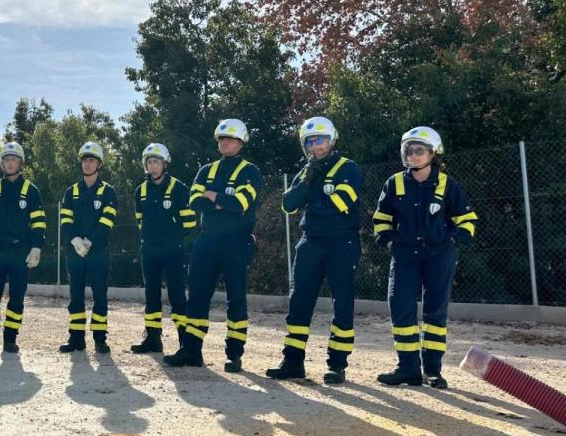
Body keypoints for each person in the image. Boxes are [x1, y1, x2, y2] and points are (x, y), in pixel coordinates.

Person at [373, 127, 478, 389]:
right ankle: (408, 369)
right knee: (400, 306)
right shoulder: (394, 182)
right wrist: (388, 243)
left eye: (419, 150)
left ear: (433, 153)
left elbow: (467, 220)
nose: (414, 155)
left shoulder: (446, 184)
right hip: (405, 254)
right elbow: (381, 219)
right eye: (410, 150)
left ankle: (433, 371)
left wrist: (454, 240)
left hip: (439, 255)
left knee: (435, 310)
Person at [267, 117, 362, 384]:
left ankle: (337, 365)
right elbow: (287, 205)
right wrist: (307, 184)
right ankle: (293, 361)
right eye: (310, 141)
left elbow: (339, 203)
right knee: (299, 302)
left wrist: (311, 199)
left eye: (320, 139)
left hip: (341, 242)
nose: (315, 145)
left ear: (332, 140)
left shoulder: (348, 168)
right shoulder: (306, 171)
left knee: (342, 303)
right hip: (310, 242)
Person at [164, 119, 262, 370]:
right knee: (196, 296)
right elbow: (194, 201)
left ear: (241, 142)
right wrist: (222, 201)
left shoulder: (250, 171)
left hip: (237, 242)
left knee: (236, 298)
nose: (224, 142)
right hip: (206, 241)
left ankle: (234, 354)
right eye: (221, 139)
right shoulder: (205, 170)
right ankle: (191, 350)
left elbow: (242, 203)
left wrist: (213, 196)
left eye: (229, 138)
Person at [0, 142, 45, 353]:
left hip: (20, 251)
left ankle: (11, 339)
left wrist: (36, 248)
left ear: (20, 163)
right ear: (2, 163)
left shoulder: (31, 190)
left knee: (17, 297)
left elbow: (39, 223)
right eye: (6, 159)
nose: (9, 163)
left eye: (13, 159)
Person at [130, 143, 197, 354]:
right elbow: (140, 220)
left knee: (177, 295)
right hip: (149, 250)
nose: (153, 165)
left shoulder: (179, 189)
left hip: (173, 250)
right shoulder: (140, 191)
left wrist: (171, 238)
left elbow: (190, 222)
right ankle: (152, 339)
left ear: (165, 163)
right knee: (151, 295)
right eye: (149, 162)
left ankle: (184, 341)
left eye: (156, 161)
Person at [58, 142, 119, 354]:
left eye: (91, 160)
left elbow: (107, 220)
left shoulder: (108, 191)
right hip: (75, 253)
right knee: (75, 296)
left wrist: (89, 241)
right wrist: (75, 240)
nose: (87, 163)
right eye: (84, 160)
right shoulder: (71, 191)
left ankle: (100, 339)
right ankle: (76, 339)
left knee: (100, 295)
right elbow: (65, 220)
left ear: (99, 163)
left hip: (98, 252)